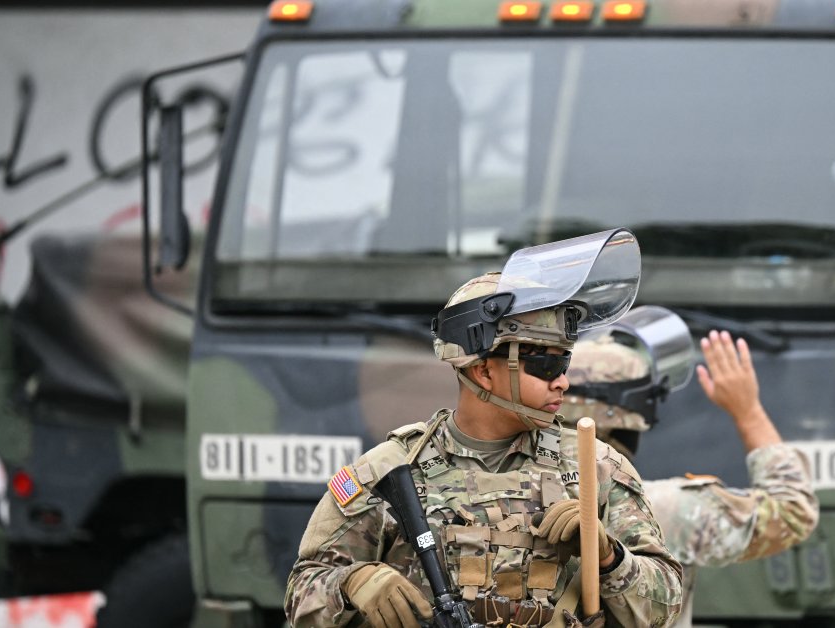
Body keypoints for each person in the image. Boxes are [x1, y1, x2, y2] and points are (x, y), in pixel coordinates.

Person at [284, 232, 682, 628]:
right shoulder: (389, 471)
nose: (561, 382)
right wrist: (351, 583)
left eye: (564, 365)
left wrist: (609, 556)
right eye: (546, 366)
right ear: (483, 371)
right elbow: (302, 592)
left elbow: (665, 607)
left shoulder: (596, 468)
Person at [559, 307, 819, 627]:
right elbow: (792, 513)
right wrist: (748, 411)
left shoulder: (518, 496)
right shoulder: (667, 509)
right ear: (633, 417)